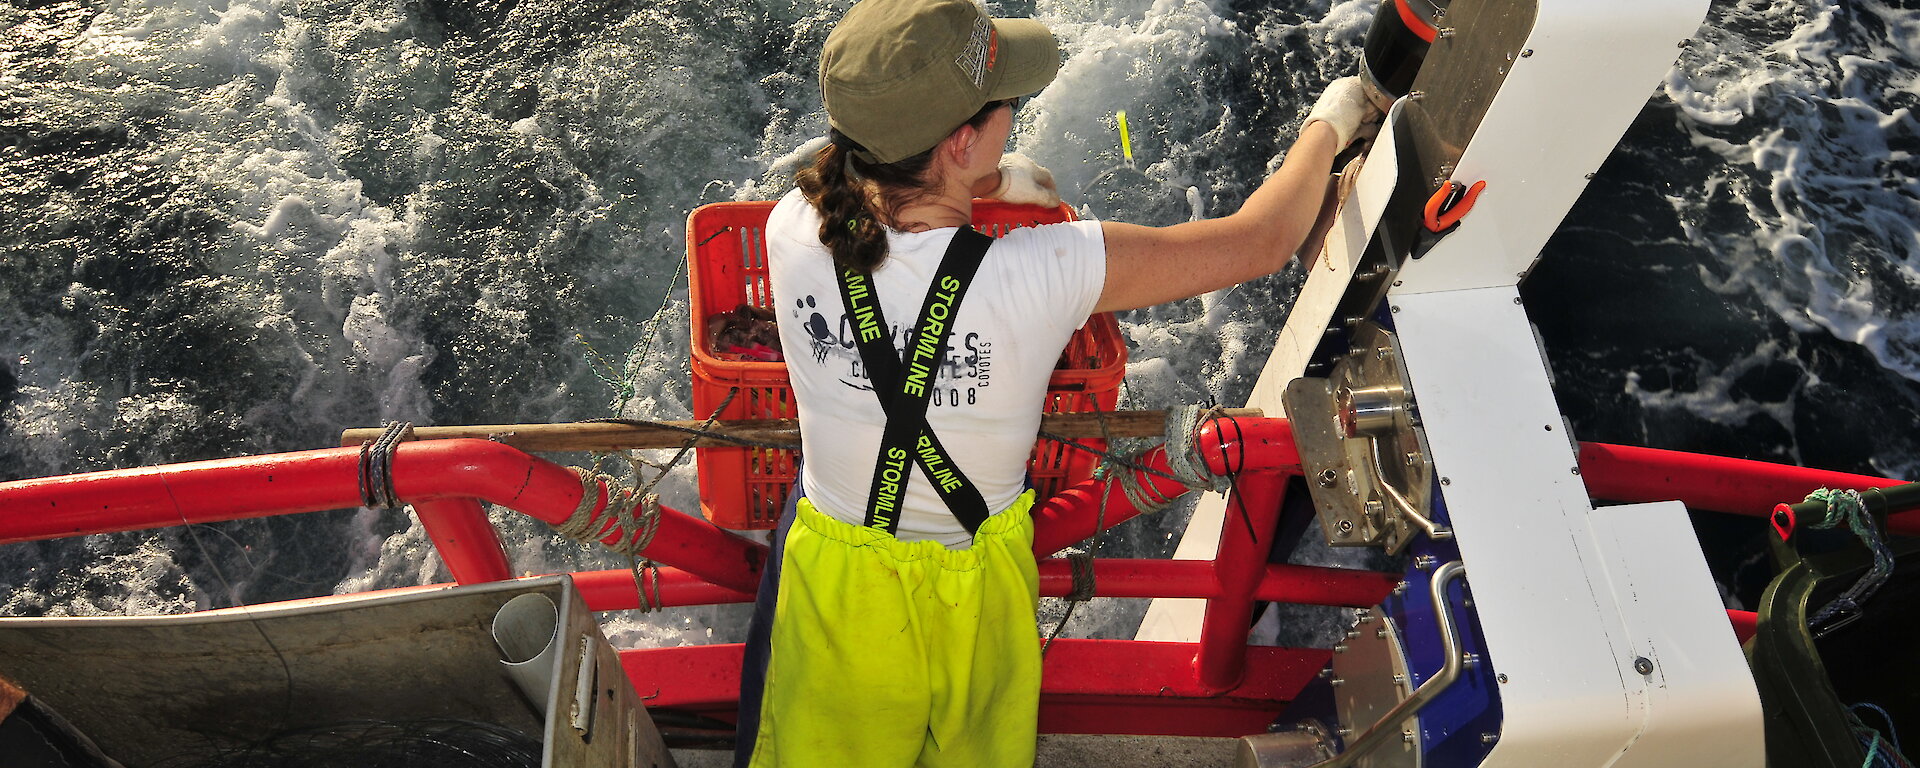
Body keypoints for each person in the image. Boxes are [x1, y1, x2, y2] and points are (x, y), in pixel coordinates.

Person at [731, 0, 1381, 765]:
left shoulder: (789, 229)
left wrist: (989, 175)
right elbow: (1262, 240)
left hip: (831, 581)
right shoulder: (1046, 271)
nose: (1016, 110)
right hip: (975, 589)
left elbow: (869, 188)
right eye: (1008, 103)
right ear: (961, 140)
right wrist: (1333, 122)